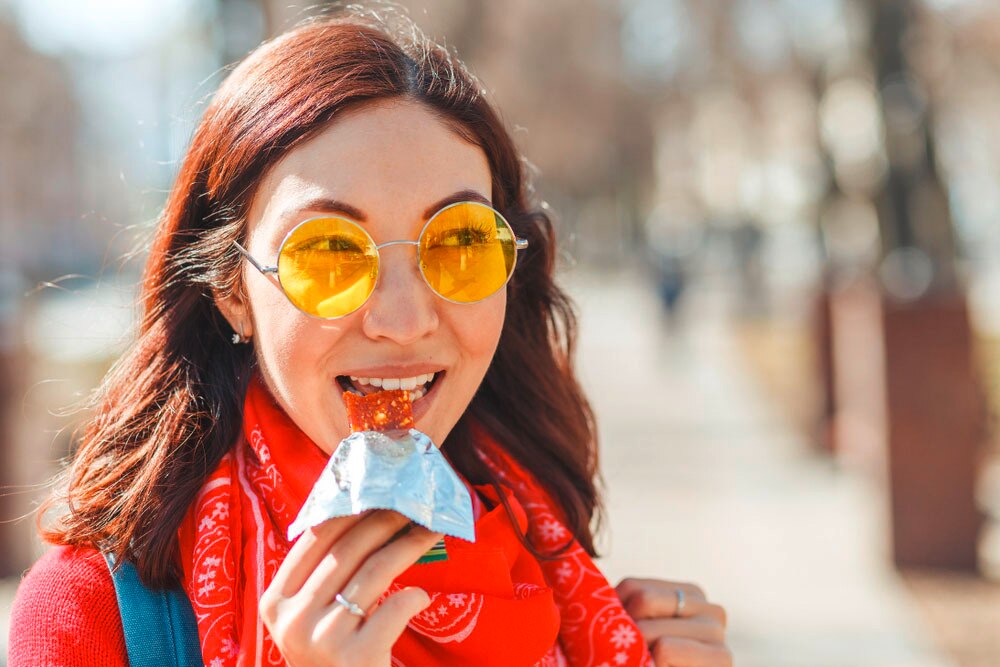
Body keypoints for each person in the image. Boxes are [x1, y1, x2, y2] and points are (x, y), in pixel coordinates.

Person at [10, 7, 731, 666]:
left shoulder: (560, 582)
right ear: (232, 290)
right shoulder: (90, 613)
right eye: (328, 254)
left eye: (459, 244)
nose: (405, 319)